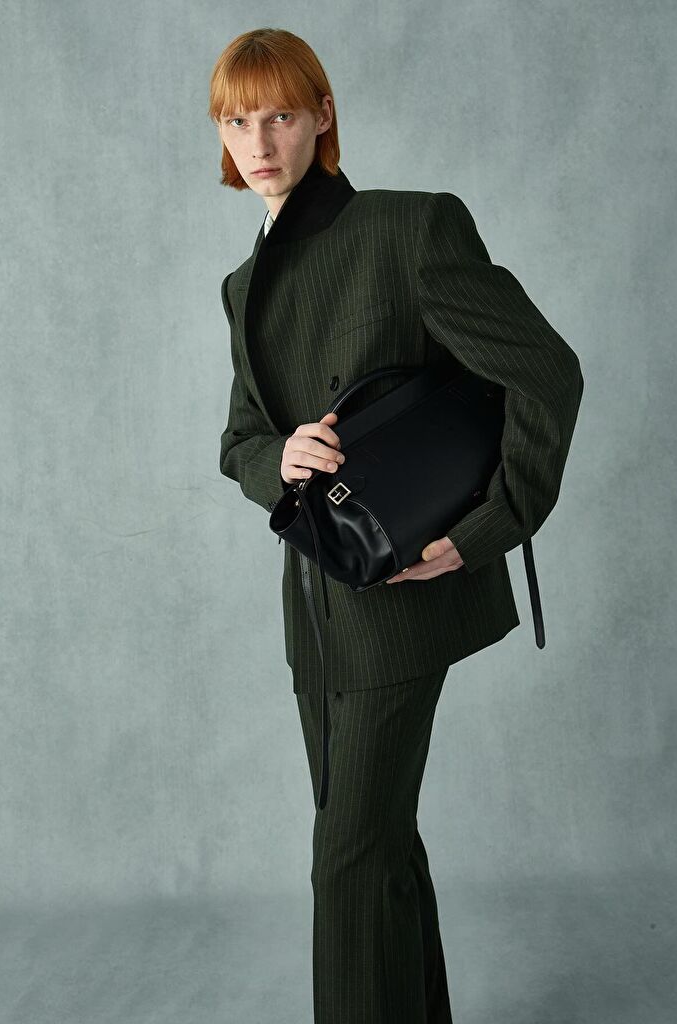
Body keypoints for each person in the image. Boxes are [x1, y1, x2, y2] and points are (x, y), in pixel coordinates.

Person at [210, 27, 584, 1024]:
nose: (259, 142)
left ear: (322, 117)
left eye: (280, 115)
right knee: (377, 846)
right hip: (313, 608)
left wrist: (490, 526)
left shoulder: (410, 229)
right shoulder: (242, 286)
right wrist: (280, 457)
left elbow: (545, 374)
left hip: (400, 597)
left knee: (347, 858)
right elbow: (239, 440)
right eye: (237, 121)